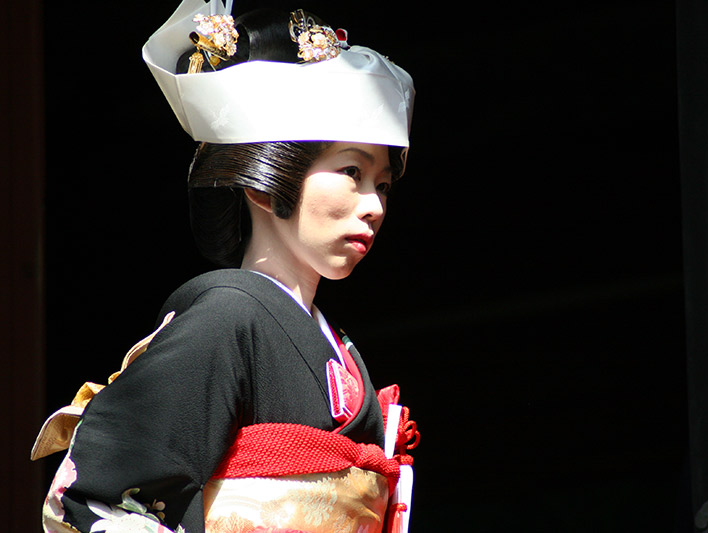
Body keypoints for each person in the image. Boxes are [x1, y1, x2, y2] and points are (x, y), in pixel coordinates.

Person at [31, 1, 419, 532]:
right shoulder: (228, 318)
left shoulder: (338, 348)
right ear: (264, 180)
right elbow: (101, 499)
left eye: (383, 185)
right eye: (351, 170)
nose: (373, 204)